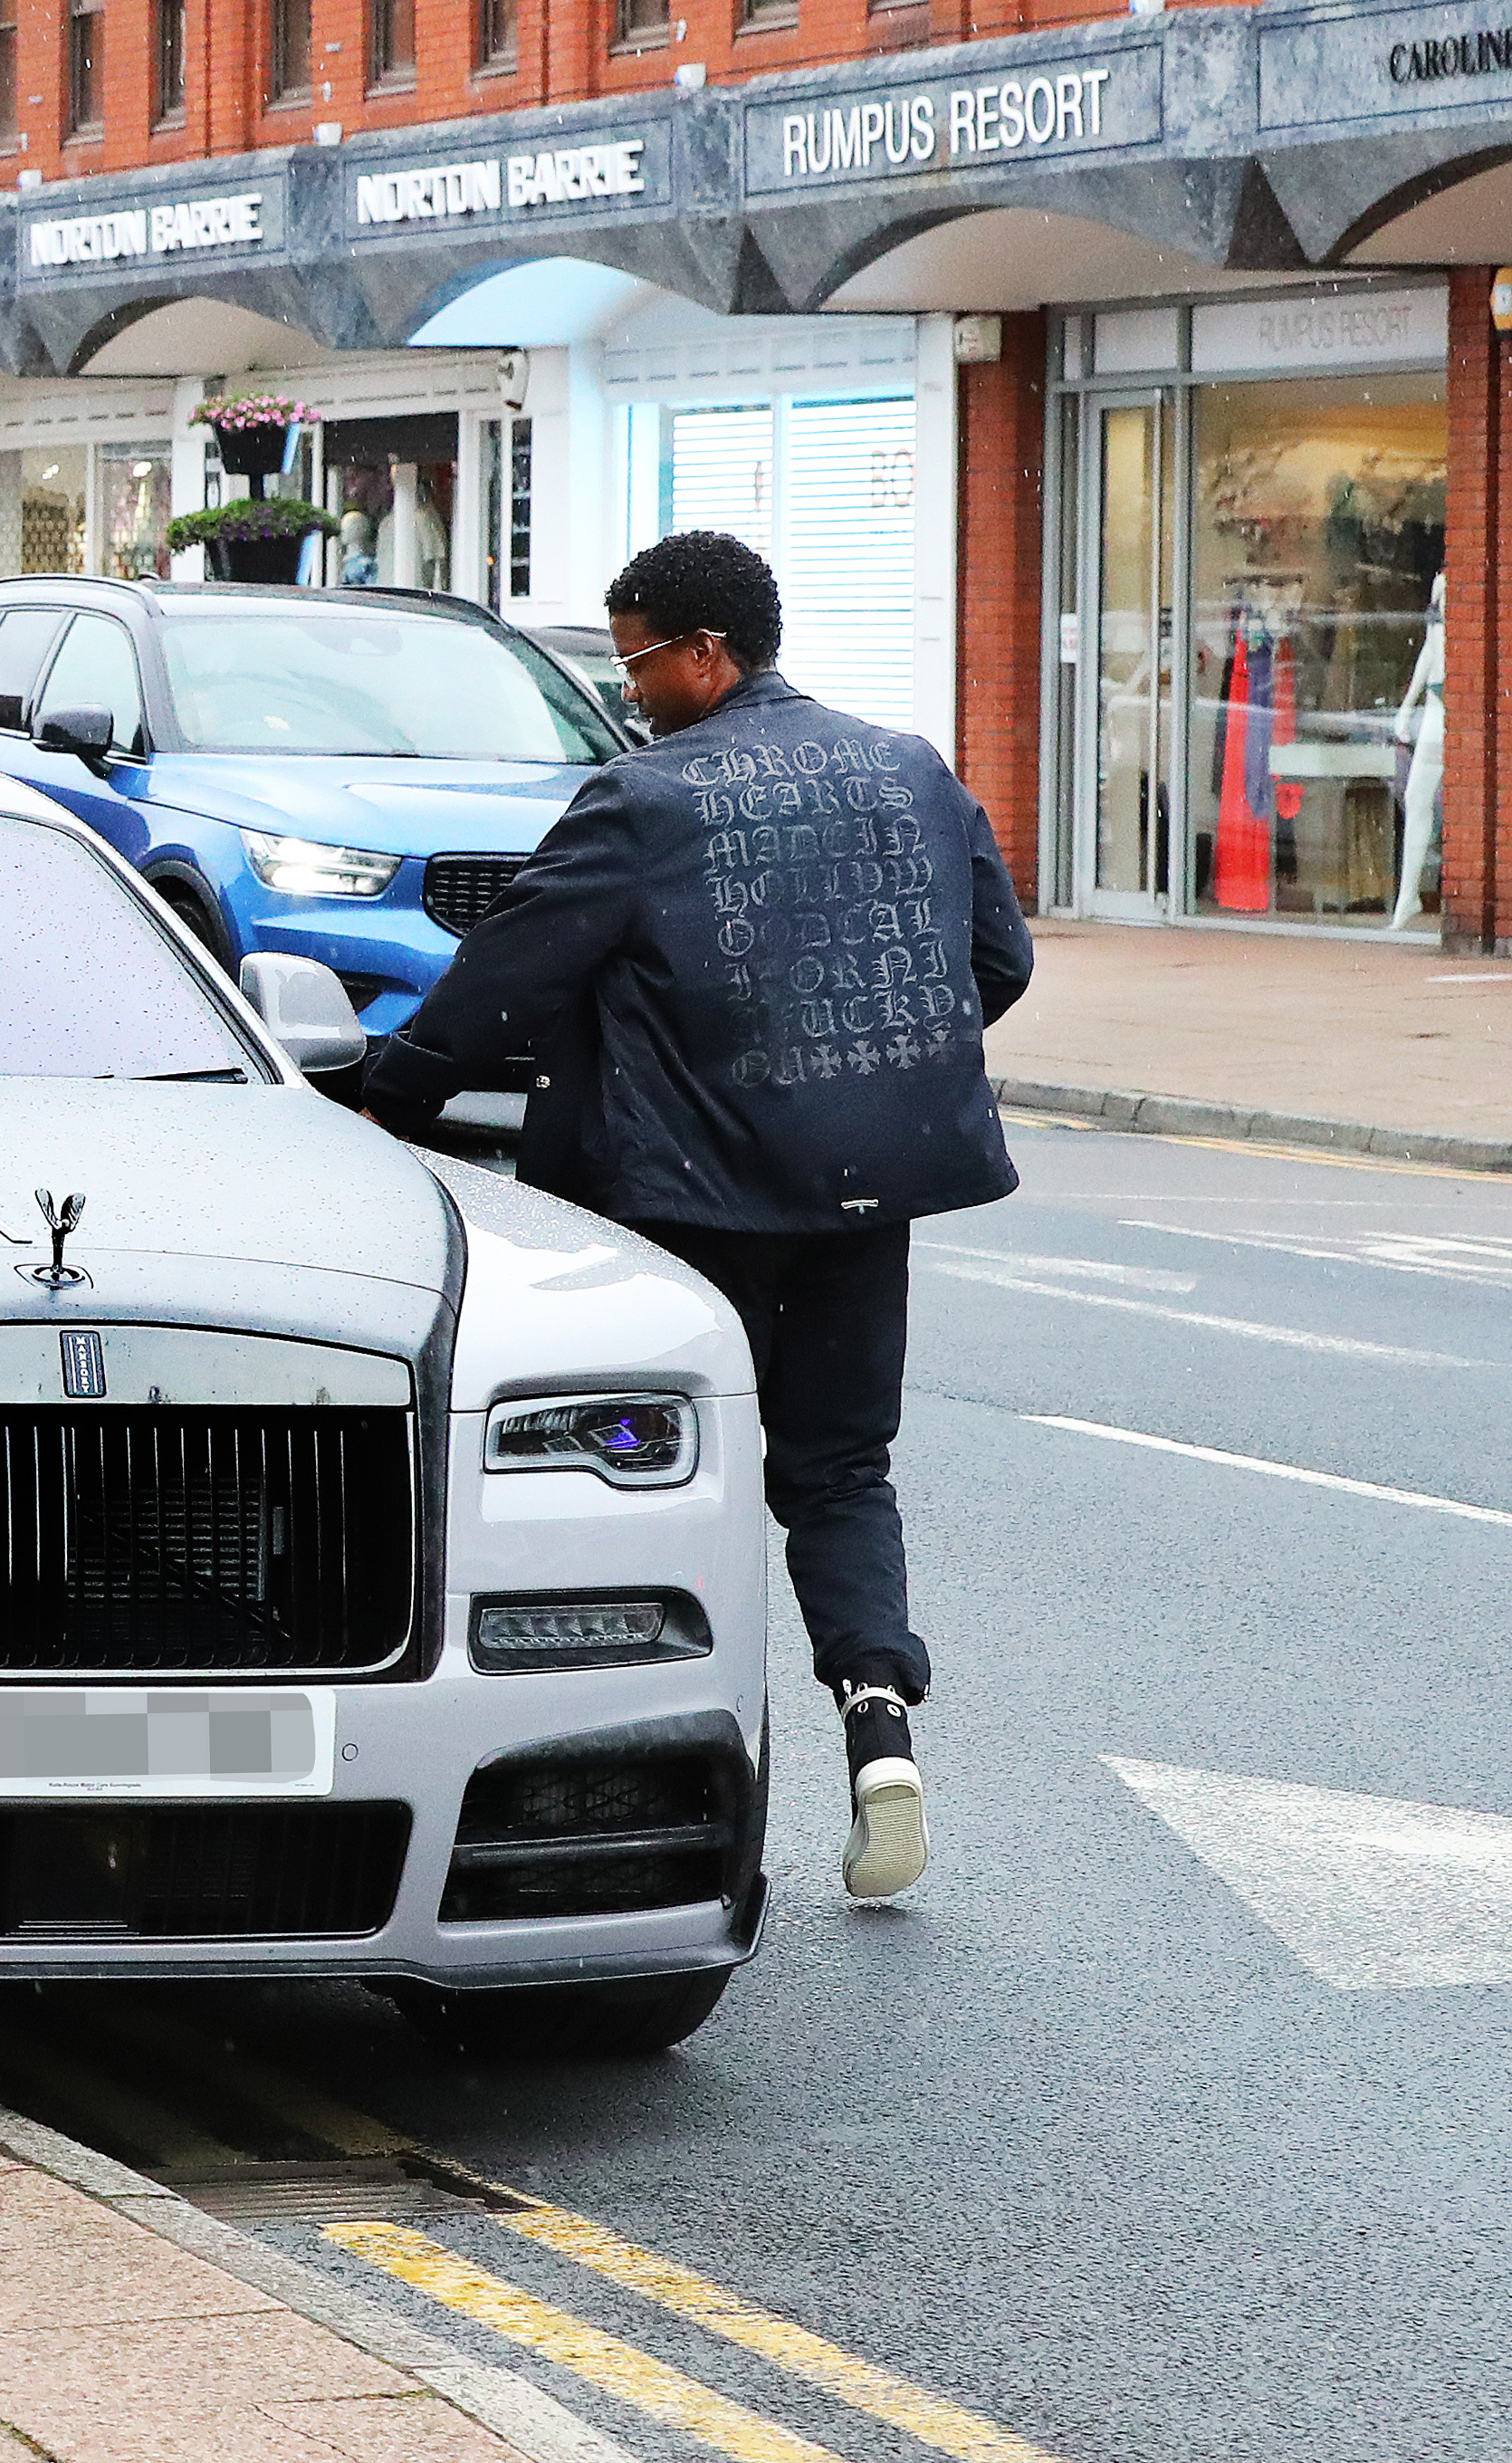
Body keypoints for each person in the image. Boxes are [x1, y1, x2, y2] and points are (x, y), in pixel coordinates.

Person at [358, 531, 1033, 1902]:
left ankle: (692, 1788)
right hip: (863, 1193)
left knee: (669, 1477)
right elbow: (996, 964)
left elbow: (510, 977)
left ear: (707, 654)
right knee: (840, 1473)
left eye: (639, 664)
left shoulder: (646, 800)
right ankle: (880, 1726)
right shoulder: (909, 768)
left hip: (687, 1215)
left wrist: (392, 1099)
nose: (630, 694)